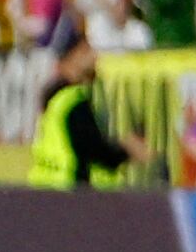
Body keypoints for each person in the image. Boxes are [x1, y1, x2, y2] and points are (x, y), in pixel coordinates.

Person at [30, 42, 132, 187]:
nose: (95, 57)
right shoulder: (73, 100)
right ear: (71, 58)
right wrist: (126, 150)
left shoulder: (56, 97)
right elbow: (95, 149)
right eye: (86, 51)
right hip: (68, 188)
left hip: (47, 184)